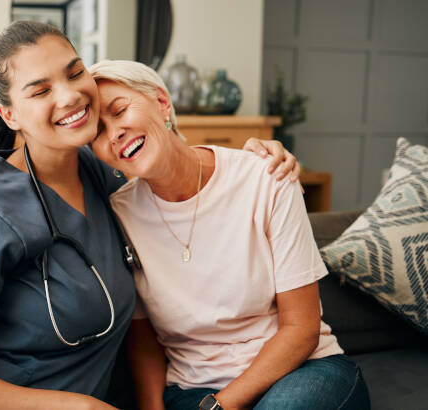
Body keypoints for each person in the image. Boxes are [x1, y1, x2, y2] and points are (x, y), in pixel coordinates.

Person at [0, 21, 299, 409]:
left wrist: (252, 158)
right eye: (40, 91)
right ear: (9, 115)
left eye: (74, 73)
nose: (70, 96)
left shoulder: (103, 170)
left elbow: (177, 163)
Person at [89, 60, 371, 410]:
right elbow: (143, 337)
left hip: (302, 374)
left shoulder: (265, 178)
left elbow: (302, 328)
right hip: (192, 390)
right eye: (97, 132)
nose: (113, 132)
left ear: (162, 103)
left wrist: (220, 406)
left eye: (119, 111)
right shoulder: (118, 215)